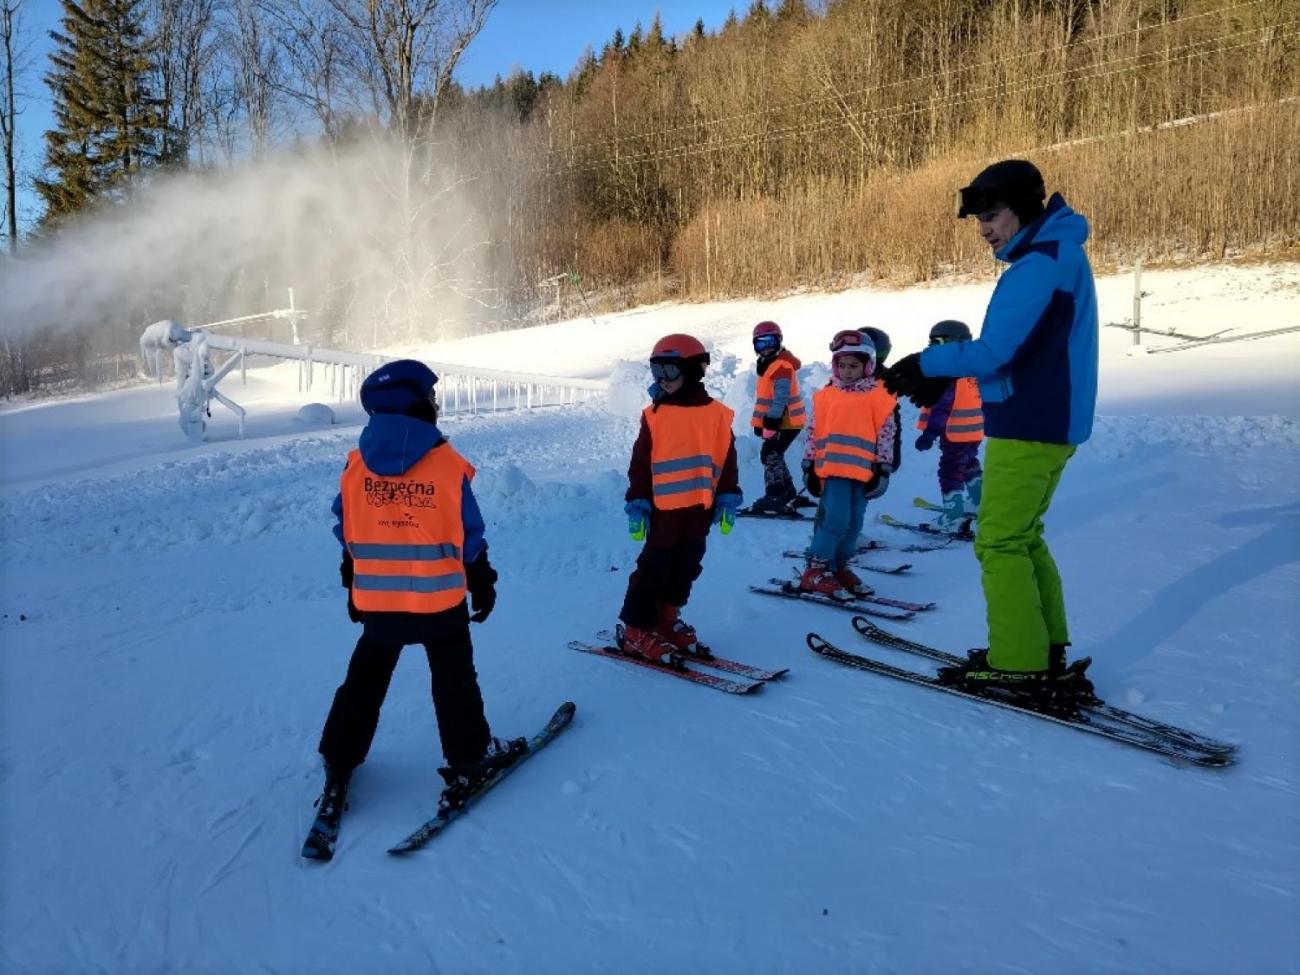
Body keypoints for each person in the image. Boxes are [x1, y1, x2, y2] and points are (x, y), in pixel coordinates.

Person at [883, 159, 1098, 697]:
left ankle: (1020, 662)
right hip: (1047, 419)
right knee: (1023, 537)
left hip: (1031, 421)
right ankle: (1041, 646)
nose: (983, 227)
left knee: (999, 542)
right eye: (978, 217)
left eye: (991, 214)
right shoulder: (1054, 254)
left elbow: (997, 350)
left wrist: (924, 365)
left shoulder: (1040, 264)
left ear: (1022, 209)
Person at [315, 360, 522, 820]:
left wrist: (352, 573)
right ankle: (470, 757)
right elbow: (468, 534)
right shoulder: (446, 464)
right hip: (439, 602)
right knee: (454, 681)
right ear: (419, 404)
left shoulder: (356, 465)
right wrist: (481, 576)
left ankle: (340, 754)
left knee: (365, 679)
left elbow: (344, 525)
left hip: (378, 604)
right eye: (432, 397)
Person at [619, 334, 742, 663]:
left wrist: (728, 494)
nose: (661, 379)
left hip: (700, 510)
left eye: (669, 371)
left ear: (693, 370)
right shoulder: (655, 415)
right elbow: (640, 463)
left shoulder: (717, 415)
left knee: (686, 567)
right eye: (655, 370)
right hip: (664, 513)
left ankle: (666, 619)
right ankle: (636, 628)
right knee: (653, 569)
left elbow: (727, 458)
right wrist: (638, 499)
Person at [798, 330, 898, 598]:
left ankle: (838, 566)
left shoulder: (880, 396)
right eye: (841, 365)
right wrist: (808, 466)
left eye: (854, 366)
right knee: (835, 520)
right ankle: (816, 568)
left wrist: (883, 469)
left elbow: (887, 434)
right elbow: (813, 432)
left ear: (868, 366)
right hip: (833, 472)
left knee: (854, 524)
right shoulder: (826, 396)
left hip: (864, 473)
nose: (847, 371)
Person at [913, 320, 984, 531]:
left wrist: (929, 434)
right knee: (969, 462)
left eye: (938, 343)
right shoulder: (973, 371)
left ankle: (953, 516)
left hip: (954, 432)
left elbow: (941, 409)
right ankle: (978, 501)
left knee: (950, 470)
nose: (933, 348)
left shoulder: (947, 377)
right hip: (974, 431)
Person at [748, 320, 807, 514]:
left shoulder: (781, 365)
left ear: (779, 342)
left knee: (770, 455)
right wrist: (763, 421)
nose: (766, 348)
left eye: (770, 342)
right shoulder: (771, 364)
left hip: (785, 421)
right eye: (760, 343)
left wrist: (771, 421)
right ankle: (787, 492)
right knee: (774, 454)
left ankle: (775, 495)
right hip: (781, 420)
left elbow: (781, 395)